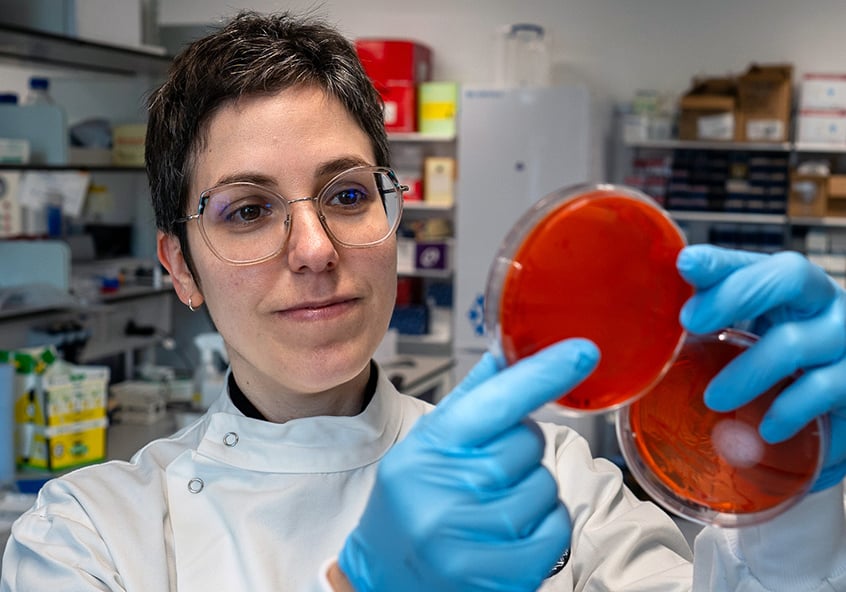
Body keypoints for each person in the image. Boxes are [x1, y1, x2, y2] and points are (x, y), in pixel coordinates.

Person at [2, 10, 846, 592]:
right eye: (248, 211)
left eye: (346, 195)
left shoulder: (556, 481)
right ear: (180, 268)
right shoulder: (91, 536)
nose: (314, 250)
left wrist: (790, 508)